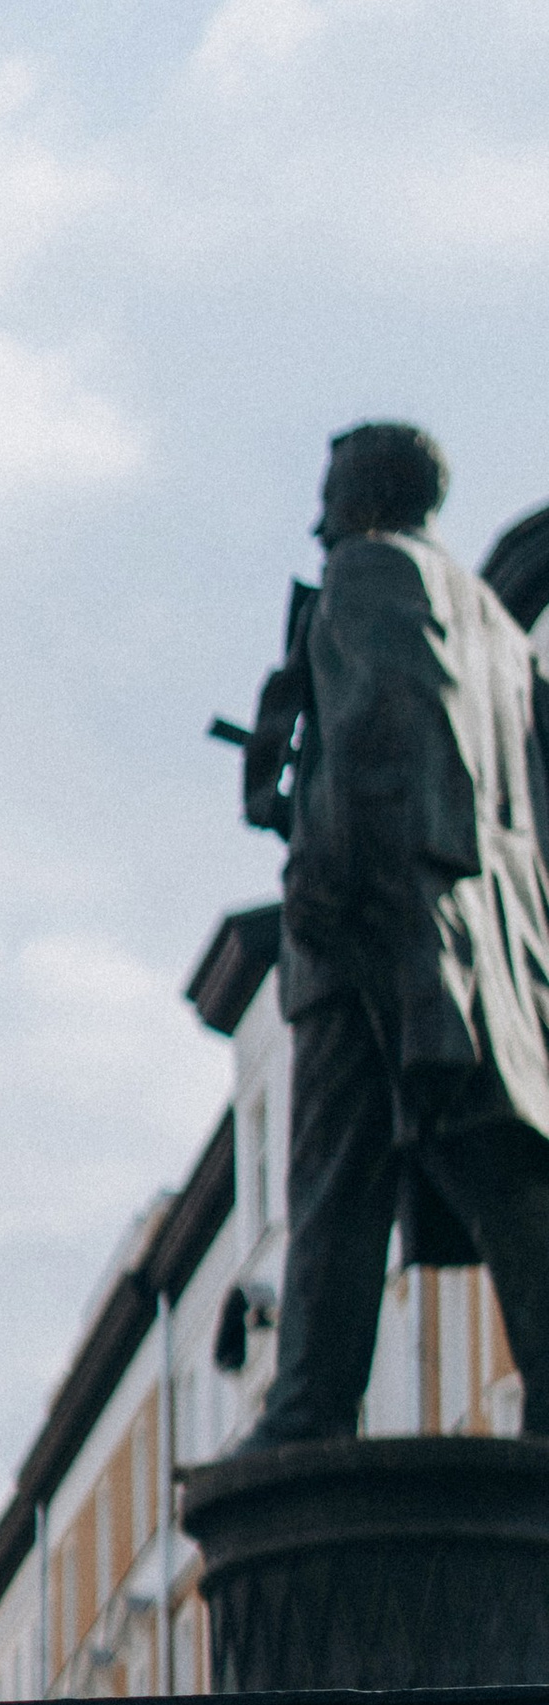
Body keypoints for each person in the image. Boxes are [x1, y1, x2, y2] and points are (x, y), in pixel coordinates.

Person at [239, 420, 549, 1444]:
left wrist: (340, 893)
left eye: (328, 497)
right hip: (475, 936)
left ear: (365, 502)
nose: (317, 520)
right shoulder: (499, 629)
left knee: (336, 1177)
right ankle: (309, 1405)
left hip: (377, 924)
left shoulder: (368, 574)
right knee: (495, 1169)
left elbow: (384, 736)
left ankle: (306, 1412)